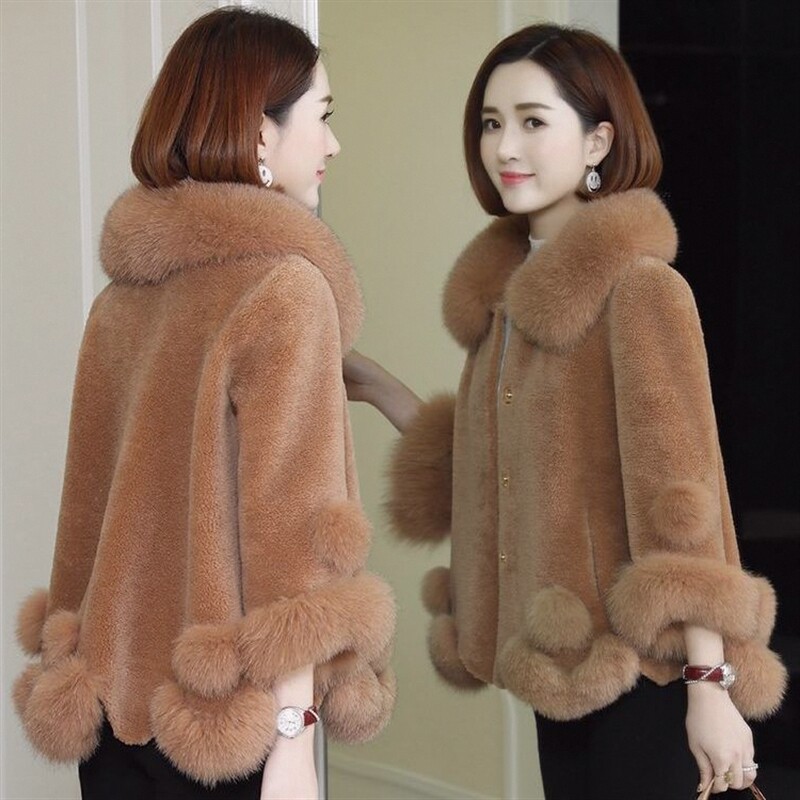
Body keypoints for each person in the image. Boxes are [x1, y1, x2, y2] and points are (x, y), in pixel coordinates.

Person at [344, 23, 785, 799]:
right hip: (562, 665)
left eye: (532, 121)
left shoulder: (638, 288)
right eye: (491, 122)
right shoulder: (510, 303)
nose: (504, 147)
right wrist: (379, 387)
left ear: (597, 142)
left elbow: (681, 499)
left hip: (647, 676)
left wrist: (709, 685)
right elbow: (495, 467)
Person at [12, 8, 395, 800]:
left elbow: (84, 516)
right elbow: (294, 541)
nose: (332, 145)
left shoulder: (123, 300)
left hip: (112, 714)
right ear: (259, 134)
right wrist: (294, 740)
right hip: (227, 727)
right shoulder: (287, 289)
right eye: (321, 117)